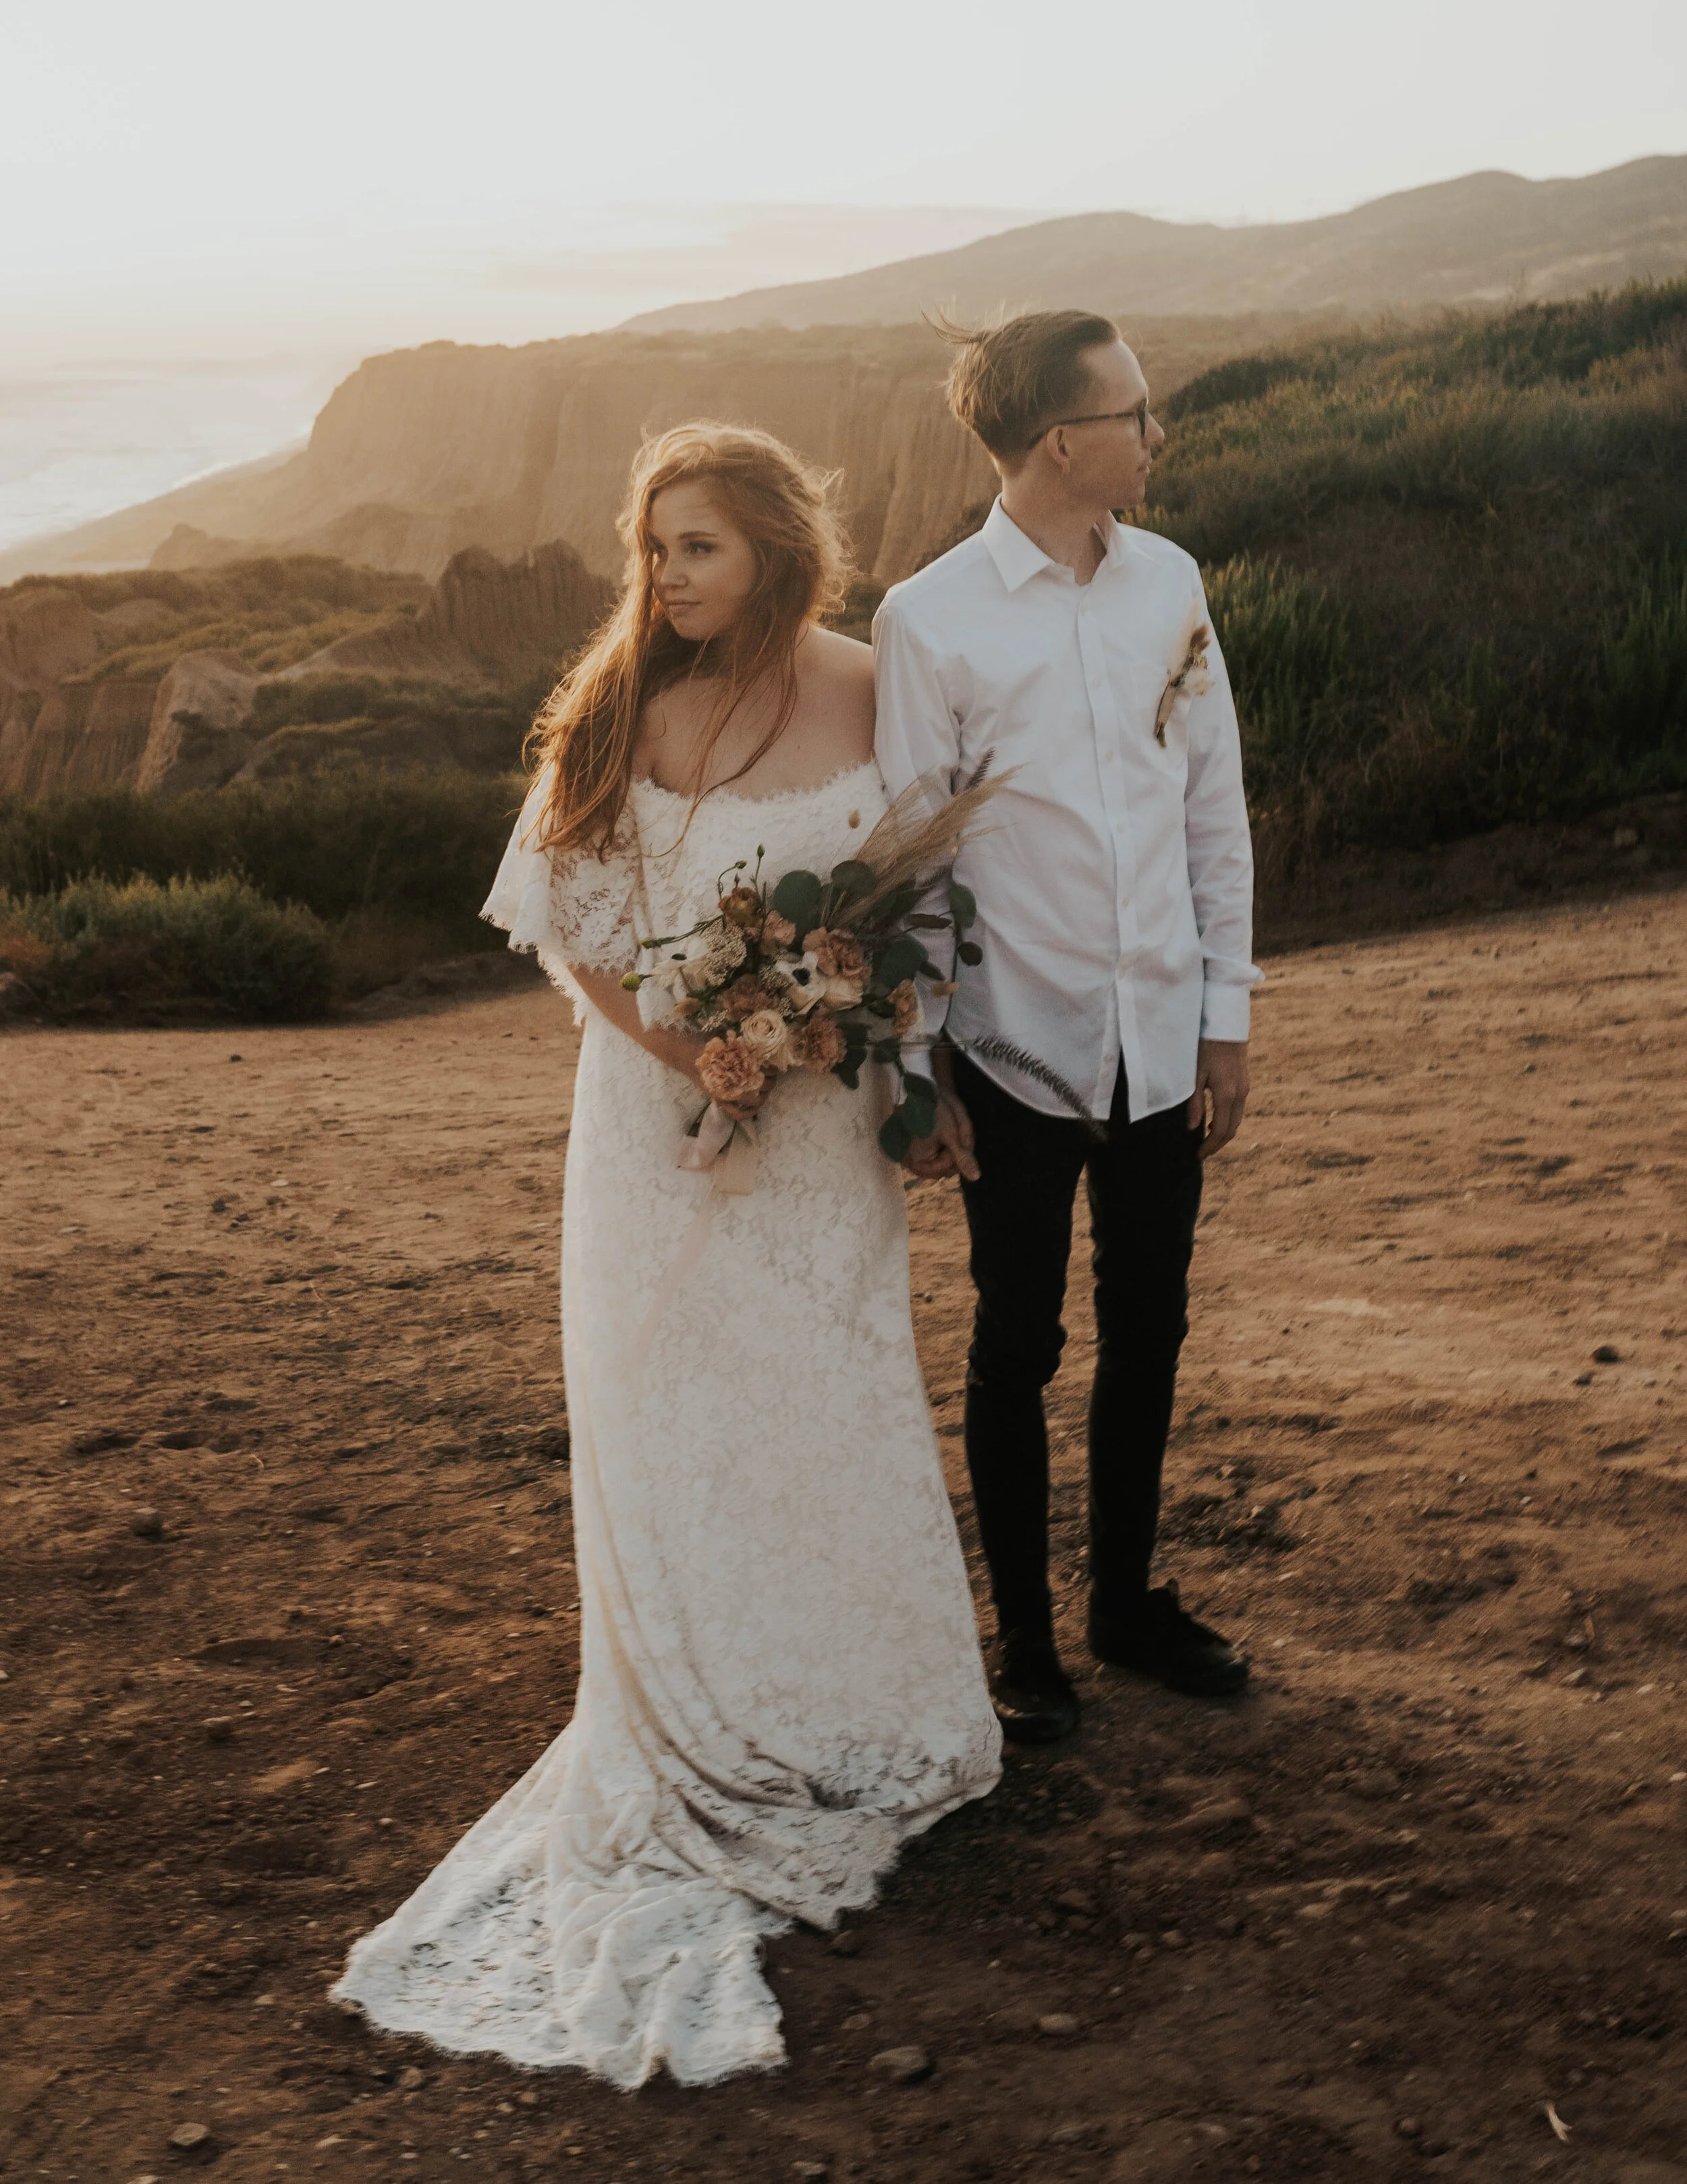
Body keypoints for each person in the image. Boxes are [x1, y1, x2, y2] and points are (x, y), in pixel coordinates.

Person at [331, 423, 1000, 2087]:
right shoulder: (616, 707)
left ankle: (853, 1699)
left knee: (825, 1403)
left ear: (774, 547)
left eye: (694, 548)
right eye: (651, 553)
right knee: (673, 1420)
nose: (665, 581)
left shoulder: (875, 681)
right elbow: (575, 932)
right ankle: (694, 1722)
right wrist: (695, 1052)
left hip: (825, 1135)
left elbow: (917, 903)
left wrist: (866, 1046)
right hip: (657, 1127)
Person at [873, 310, 1261, 1745]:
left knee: (1148, 1328)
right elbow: (912, 855)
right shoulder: (929, 617)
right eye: (1136, 414)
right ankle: (1025, 1642)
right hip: (1014, 1050)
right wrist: (915, 1069)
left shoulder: (1171, 581)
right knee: (1014, 1344)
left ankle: (1123, 1605)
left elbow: (1208, 806)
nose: (1155, 435)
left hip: (1160, 1037)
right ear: (1061, 441)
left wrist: (1222, 1017)